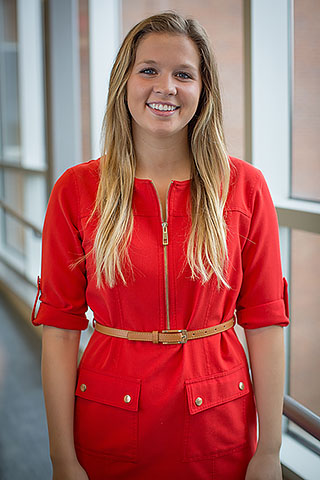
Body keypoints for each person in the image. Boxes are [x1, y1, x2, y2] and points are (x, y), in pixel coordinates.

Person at [31, 11, 289, 480]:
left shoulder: (245, 188)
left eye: (183, 74)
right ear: (123, 83)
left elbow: (266, 322)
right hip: (109, 419)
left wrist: (269, 450)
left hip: (220, 424)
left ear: (202, 89)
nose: (165, 86)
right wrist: (62, 458)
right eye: (148, 69)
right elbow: (60, 329)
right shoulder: (76, 189)